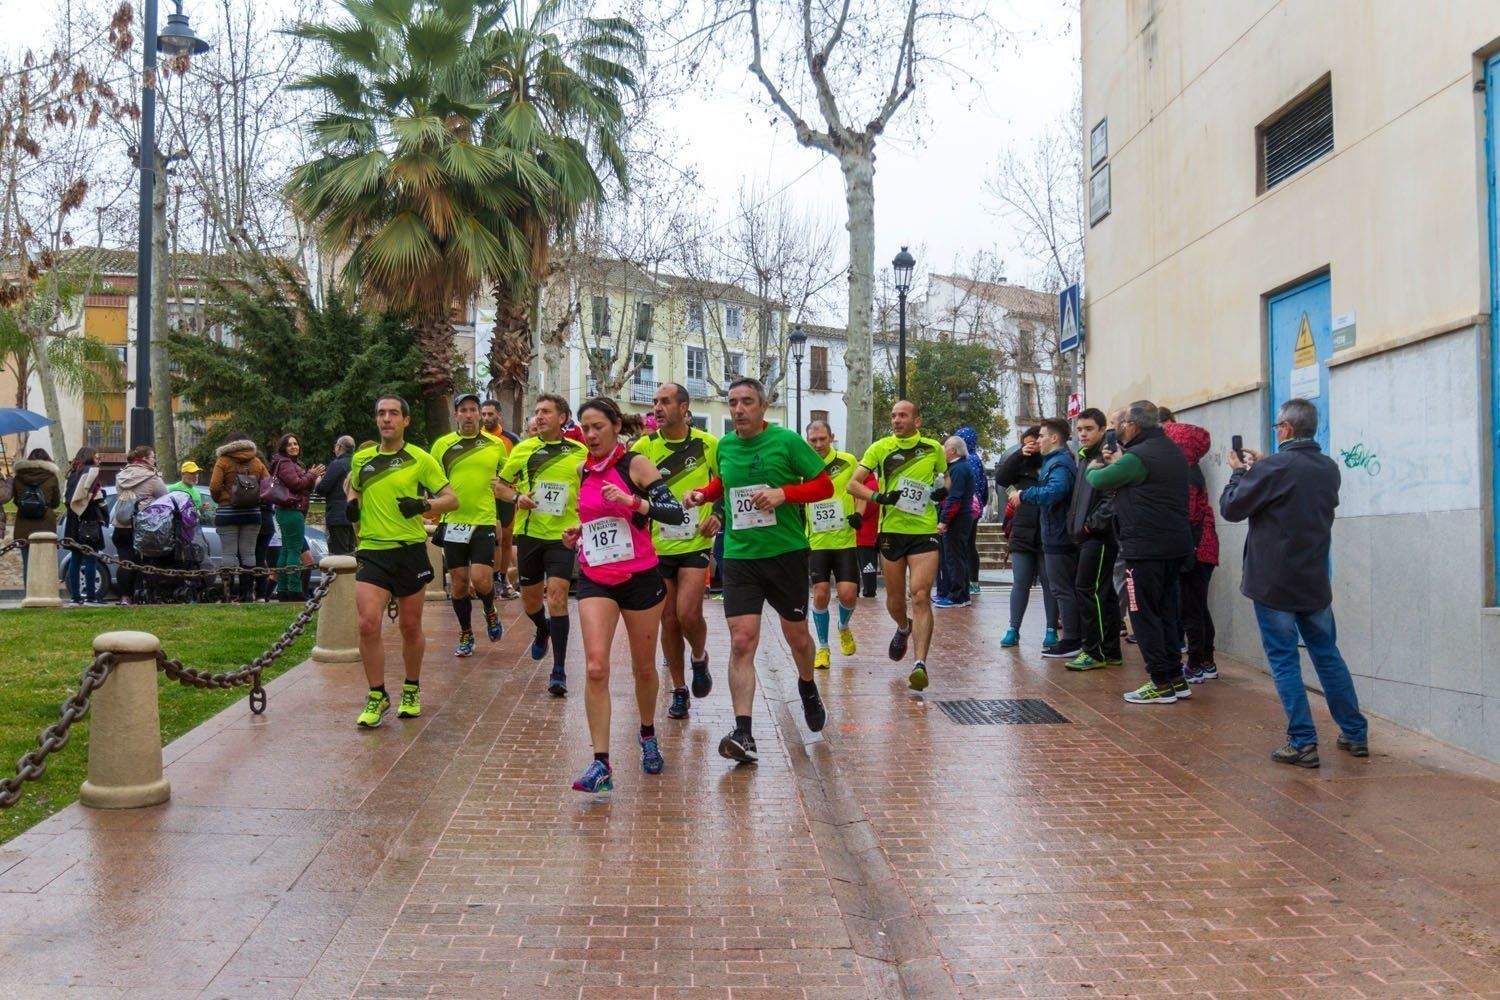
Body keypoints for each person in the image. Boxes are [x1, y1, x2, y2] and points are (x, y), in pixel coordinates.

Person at [682, 378, 830, 764]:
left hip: (786, 553)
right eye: (733, 403)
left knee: (797, 637)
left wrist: (786, 494)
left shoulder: (787, 442)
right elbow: (725, 482)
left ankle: (807, 686)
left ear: (763, 407)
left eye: (747, 402)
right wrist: (704, 495)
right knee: (742, 641)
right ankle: (744, 732)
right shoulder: (725, 446)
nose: (738, 409)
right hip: (741, 556)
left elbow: (825, 485)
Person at [1221, 398, 1368, 767]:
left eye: (1277, 427)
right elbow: (1294, 491)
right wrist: (1261, 468)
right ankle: (1354, 732)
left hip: (1273, 583)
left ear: (1285, 428)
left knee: (1284, 660)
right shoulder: (1327, 468)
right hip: (1314, 579)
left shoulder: (1272, 467)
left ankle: (1302, 741)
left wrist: (1240, 472)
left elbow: (1232, 507)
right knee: (1327, 654)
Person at [562, 397, 689, 793]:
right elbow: (598, 520)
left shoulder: (634, 464)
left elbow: (673, 512)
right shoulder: (582, 470)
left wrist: (633, 500)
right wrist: (579, 535)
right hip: (596, 576)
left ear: (616, 426)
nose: (591, 434)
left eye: (598, 425)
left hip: (639, 577)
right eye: (585, 427)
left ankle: (648, 734)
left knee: (644, 668)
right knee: (596, 666)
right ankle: (601, 763)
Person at [348, 394, 458, 728]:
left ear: (405, 421)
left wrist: (422, 505)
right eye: (381, 413)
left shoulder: (420, 459)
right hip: (372, 550)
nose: (386, 419)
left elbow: (452, 500)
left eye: (393, 413)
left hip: (409, 550)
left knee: (410, 627)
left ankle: (411, 688)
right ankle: (377, 694)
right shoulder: (362, 459)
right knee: (368, 623)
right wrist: (352, 505)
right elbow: (353, 491)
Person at [1086, 400, 1195, 704]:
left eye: (1120, 424)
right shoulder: (1171, 450)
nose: (1117, 429)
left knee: (1143, 614)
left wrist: (1099, 463)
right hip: (1174, 546)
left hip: (1144, 548)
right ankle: (1176, 678)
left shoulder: (1137, 458)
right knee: (1168, 612)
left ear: (1133, 426)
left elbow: (1097, 480)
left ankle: (1159, 682)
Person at [630, 383, 720, 720]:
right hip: (657, 545)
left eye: (665, 401)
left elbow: (724, 486)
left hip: (695, 542)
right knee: (668, 620)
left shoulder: (708, 444)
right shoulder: (644, 447)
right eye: (655, 402)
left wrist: (719, 516)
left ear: (684, 407)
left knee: (688, 613)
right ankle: (680, 689)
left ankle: (699, 656)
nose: (657, 407)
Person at [848, 400, 949, 692]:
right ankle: (903, 626)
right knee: (894, 601)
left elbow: (947, 479)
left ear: (917, 420)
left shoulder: (933, 448)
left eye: (903, 415)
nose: (896, 420)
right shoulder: (879, 448)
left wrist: (944, 490)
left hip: (924, 531)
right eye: (893, 415)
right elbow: (853, 485)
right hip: (892, 531)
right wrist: (879, 498)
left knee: (919, 595)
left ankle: (920, 664)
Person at [496, 393, 588, 696]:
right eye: (537, 412)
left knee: (558, 597)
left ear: (562, 418)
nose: (539, 417)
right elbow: (499, 485)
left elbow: (591, 487)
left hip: (562, 536)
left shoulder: (579, 452)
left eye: (546, 411)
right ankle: (542, 628)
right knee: (531, 602)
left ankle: (558, 669)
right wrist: (515, 497)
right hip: (530, 534)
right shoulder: (523, 450)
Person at [430, 393, 508, 656]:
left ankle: (489, 609)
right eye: (463, 410)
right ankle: (465, 632)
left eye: (473, 410)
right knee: (460, 583)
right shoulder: (442, 445)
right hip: (453, 523)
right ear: (456, 415)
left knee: (481, 579)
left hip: (483, 519)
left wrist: (508, 489)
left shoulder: (495, 445)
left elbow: (508, 476)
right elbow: (432, 482)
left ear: (479, 414)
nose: (468, 414)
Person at [1162, 412, 1220, 682]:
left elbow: (1188, 515)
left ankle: (1196, 663)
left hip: (1194, 548)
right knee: (1198, 606)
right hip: (1203, 547)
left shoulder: (1183, 474)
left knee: (1191, 608)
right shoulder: (1191, 469)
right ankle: (1206, 660)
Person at [1015, 418, 1080, 659]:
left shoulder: (1059, 464)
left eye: (1041, 436)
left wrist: (1026, 494)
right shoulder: (1055, 461)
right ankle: (1073, 637)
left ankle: (1072, 639)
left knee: (1062, 588)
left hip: (1058, 535)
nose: (1037, 440)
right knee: (1062, 587)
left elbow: (1056, 491)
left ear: (1054, 438)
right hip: (1056, 532)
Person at [1063, 408, 1122, 670]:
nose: (1083, 434)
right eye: (1079, 429)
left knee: (1089, 590)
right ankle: (1110, 651)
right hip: (1087, 536)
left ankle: (1093, 651)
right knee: (1104, 593)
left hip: (1098, 537)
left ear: (1101, 430)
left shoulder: (1106, 456)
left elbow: (1112, 499)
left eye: (1088, 429)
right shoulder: (1085, 458)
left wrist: (1089, 527)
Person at [803, 419, 862, 668]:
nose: (818, 445)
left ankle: (844, 625)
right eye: (813, 440)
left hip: (845, 539)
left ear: (831, 437)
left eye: (822, 439)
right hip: (817, 541)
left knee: (848, 595)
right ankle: (823, 648)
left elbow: (860, 489)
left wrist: (859, 512)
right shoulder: (803, 466)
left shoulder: (848, 460)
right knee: (821, 594)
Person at [996, 428, 1060, 648]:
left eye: (1035, 441)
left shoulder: (1054, 463)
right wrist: (1019, 454)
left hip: (1048, 531)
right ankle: (1013, 628)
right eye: (1026, 443)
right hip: (1023, 530)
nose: (1032, 446)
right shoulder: (1021, 463)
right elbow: (1002, 477)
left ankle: (1051, 629)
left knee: (1049, 582)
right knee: (1020, 582)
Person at [210, 435, 269, 603]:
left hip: (227, 512)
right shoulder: (256, 461)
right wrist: (255, 498)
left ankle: (227, 594)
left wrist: (224, 498)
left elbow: (214, 486)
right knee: (249, 553)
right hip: (252, 513)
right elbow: (267, 484)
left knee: (228, 553)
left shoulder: (223, 461)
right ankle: (247, 594)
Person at [269, 435, 325, 600]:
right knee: (293, 550)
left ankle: (284, 589)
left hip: (287, 511)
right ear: (283, 448)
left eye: (295, 444)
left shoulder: (287, 463)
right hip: (292, 511)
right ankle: (294, 590)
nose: (294, 446)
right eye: (289, 445)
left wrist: (309, 475)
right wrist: (311, 475)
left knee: (286, 550)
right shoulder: (286, 463)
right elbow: (296, 484)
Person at [111, 445, 168, 606]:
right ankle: (142, 595)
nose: (154, 460)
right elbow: (165, 497)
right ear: (145, 459)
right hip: (143, 527)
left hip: (120, 525)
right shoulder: (152, 477)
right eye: (152, 457)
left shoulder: (121, 475)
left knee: (125, 562)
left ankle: (125, 597)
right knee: (144, 562)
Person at [479, 399, 521, 598]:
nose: (486, 418)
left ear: (499, 415)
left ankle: (503, 580)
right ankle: (490, 580)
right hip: (484, 495)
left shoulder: (511, 439)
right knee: (492, 538)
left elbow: (520, 467)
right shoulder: (476, 439)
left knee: (506, 538)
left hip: (505, 494)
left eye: (490, 414)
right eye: (484, 414)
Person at [934, 435, 976, 609]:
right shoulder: (960, 467)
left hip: (957, 519)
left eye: (945, 448)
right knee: (954, 557)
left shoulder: (958, 469)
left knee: (954, 558)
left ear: (952, 450)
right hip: (960, 517)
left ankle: (958, 596)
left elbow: (955, 498)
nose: (943, 451)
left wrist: (944, 521)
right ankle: (956, 593)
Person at [62, 447, 106, 605]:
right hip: (89, 519)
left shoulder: (72, 473)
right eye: (96, 456)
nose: (98, 458)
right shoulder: (91, 472)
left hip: (73, 521)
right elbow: (92, 497)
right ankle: (91, 597)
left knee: (75, 558)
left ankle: (75, 596)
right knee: (90, 558)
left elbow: (66, 498)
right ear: (90, 457)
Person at [11, 447, 61, 579]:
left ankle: (29, 595)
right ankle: (43, 595)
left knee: (27, 563)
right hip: (45, 525)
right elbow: (56, 503)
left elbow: (16, 501)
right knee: (45, 564)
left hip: (24, 525)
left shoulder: (18, 477)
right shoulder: (51, 477)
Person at [955, 425, 987, 597]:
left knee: (962, 545)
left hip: (964, 507)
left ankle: (966, 582)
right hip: (976, 508)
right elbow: (984, 489)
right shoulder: (978, 460)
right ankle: (974, 581)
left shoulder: (965, 460)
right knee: (970, 545)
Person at [318, 436, 357, 556]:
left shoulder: (337, 464)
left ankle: (342, 576)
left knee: (339, 555)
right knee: (351, 552)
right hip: (354, 515)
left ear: (339, 447)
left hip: (337, 515)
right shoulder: (357, 463)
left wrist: (318, 481)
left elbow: (322, 488)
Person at [854, 471, 880, 598]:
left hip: (864, 534)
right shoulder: (872, 483)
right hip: (867, 534)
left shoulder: (868, 486)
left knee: (866, 566)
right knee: (867, 566)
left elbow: (866, 510)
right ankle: (867, 590)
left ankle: (868, 591)